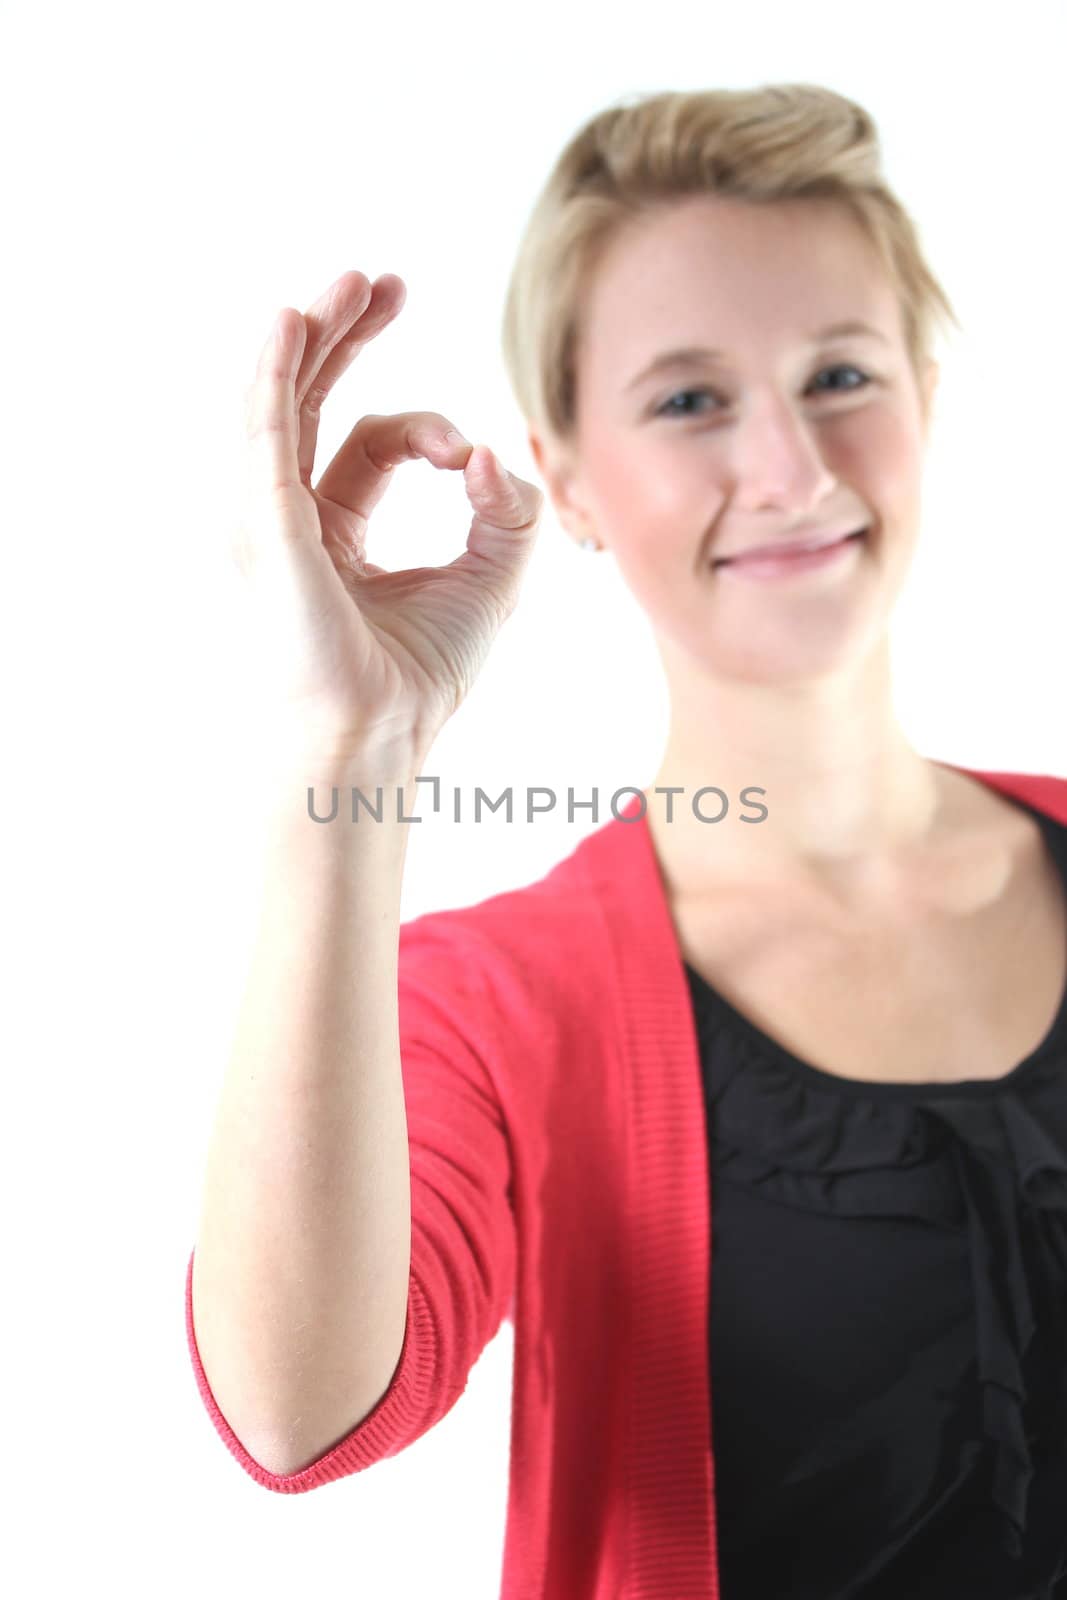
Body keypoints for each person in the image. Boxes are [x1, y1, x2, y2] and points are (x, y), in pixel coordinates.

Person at [186, 83, 1067, 1598]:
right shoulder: (497, 1001)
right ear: (573, 476)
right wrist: (352, 751)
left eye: (842, 373)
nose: (790, 469)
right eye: (688, 400)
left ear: (925, 394)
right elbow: (295, 1416)